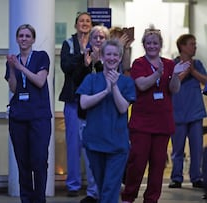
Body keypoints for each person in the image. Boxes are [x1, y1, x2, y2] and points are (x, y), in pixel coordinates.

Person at [121, 27, 190, 203]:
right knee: (137, 163)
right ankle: (128, 196)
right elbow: (142, 85)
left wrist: (175, 75)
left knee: (158, 164)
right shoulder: (139, 63)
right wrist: (158, 73)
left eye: (155, 43)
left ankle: (151, 199)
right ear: (144, 44)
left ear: (160, 45)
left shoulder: (169, 64)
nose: (152, 46)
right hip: (142, 122)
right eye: (149, 43)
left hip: (162, 121)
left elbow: (173, 89)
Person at [77, 39, 135, 203]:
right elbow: (84, 103)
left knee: (111, 188)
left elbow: (123, 108)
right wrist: (105, 91)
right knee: (103, 188)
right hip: (94, 143)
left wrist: (114, 87)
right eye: (108, 54)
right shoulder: (91, 79)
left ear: (120, 57)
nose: (111, 58)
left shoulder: (126, 82)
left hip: (117, 145)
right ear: (102, 56)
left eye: (115, 55)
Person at [5, 24, 52, 203]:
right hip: (18, 117)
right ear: (17, 39)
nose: (24, 39)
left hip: (39, 117)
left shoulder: (41, 57)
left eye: (27, 36)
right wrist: (12, 68)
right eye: (21, 36)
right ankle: (26, 199)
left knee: (39, 161)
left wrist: (21, 67)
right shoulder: (12, 60)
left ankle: (39, 199)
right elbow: (14, 88)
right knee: (23, 163)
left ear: (33, 39)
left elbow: (40, 81)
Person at [58, 12, 99, 203]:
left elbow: (101, 68)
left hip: (93, 102)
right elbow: (65, 67)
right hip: (73, 100)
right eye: (81, 21)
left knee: (92, 145)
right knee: (73, 145)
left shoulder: (98, 42)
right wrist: (82, 57)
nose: (84, 23)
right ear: (75, 25)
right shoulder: (68, 43)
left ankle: (93, 188)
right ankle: (73, 185)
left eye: (87, 21)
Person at [168, 34, 207, 189]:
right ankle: (176, 177)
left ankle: (196, 177)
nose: (194, 47)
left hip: (195, 113)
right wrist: (185, 71)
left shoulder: (197, 64)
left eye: (195, 44)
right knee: (177, 149)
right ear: (182, 47)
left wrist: (193, 71)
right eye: (191, 44)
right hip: (177, 113)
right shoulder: (172, 65)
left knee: (196, 148)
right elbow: (171, 84)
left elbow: (205, 80)